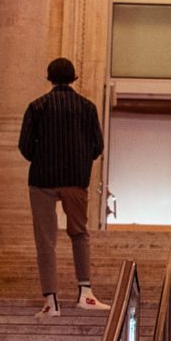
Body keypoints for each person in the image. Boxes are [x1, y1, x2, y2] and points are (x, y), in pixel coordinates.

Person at [18, 56, 109, 315]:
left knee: (45, 240)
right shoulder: (87, 107)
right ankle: (85, 293)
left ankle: (51, 301)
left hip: (41, 181)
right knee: (79, 233)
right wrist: (78, 162)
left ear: (49, 78)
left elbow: (24, 146)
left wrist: (43, 158)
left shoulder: (37, 106)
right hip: (75, 180)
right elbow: (98, 146)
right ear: (73, 78)